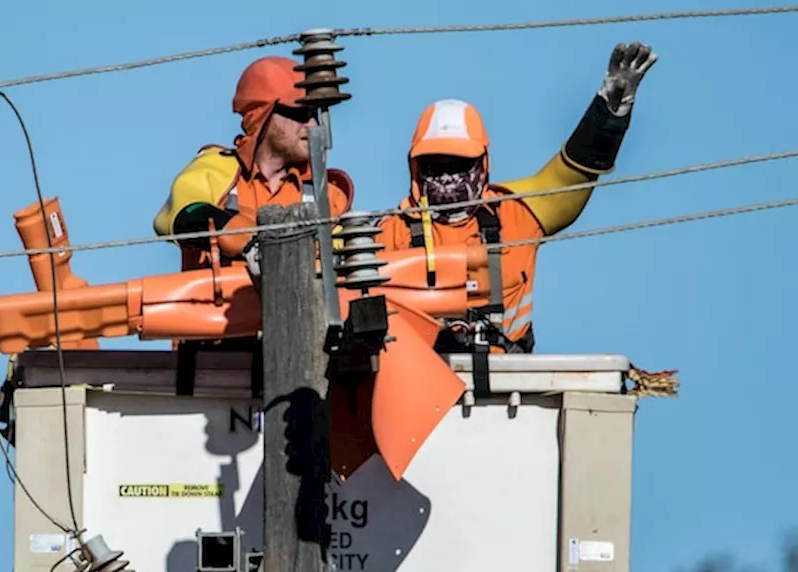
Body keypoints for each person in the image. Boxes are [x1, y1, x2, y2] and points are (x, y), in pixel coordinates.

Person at [374, 41, 658, 354]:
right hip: (415, 390)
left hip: (503, 384)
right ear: (414, 166)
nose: (446, 177)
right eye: (435, 165)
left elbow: (572, 174)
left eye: (459, 164)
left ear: (483, 165)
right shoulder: (386, 234)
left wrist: (608, 113)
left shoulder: (515, 214)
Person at [152, 55, 355, 271]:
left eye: (315, 113)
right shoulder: (217, 169)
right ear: (262, 114)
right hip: (223, 304)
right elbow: (182, 215)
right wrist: (245, 238)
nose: (313, 124)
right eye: (301, 112)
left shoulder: (326, 194)